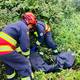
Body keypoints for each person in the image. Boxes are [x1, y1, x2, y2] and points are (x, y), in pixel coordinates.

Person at [0, 12, 37, 80]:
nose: (31, 28)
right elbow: (25, 47)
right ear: (28, 22)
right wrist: (26, 57)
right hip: (5, 50)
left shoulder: (17, 25)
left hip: (2, 51)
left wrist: (19, 51)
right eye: (32, 25)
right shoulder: (24, 27)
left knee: (9, 67)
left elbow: (17, 46)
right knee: (25, 64)